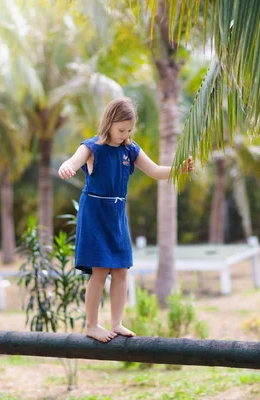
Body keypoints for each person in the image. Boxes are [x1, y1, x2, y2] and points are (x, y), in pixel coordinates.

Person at [58, 97, 194, 343]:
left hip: (117, 214)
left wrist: (179, 169)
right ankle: (91, 325)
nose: (125, 134)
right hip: (95, 213)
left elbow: (154, 171)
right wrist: (66, 167)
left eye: (129, 130)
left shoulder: (130, 150)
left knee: (121, 269)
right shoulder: (92, 147)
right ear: (109, 123)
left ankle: (117, 323)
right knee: (100, 270)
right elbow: (73, 161)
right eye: (121, 130)